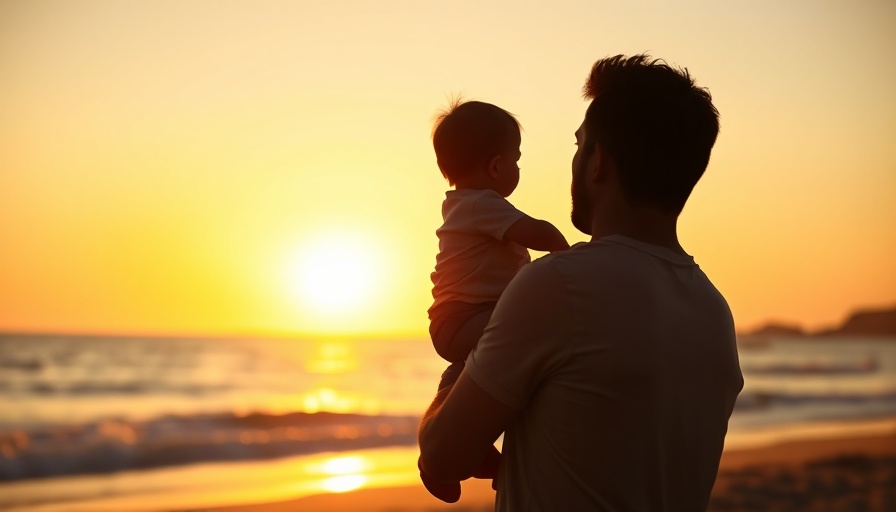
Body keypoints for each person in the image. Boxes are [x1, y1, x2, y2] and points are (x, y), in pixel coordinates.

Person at [418, 55, 744, 511]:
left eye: (579, 145)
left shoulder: (556, 286)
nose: (572, 161)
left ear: (598, 162)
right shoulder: (714, 312)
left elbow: (443, 454)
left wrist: (441, 403)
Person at [421, 100, 570, 502]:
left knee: (467, 374)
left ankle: (465, 450)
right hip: (466, 316)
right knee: (523, 339)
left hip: (455, 319)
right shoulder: (481, 205)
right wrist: (565, 251)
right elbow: (534, 232)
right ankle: (451, 447)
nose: (519, 169)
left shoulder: (466, 206)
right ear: (495, 166)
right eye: (516, 159)